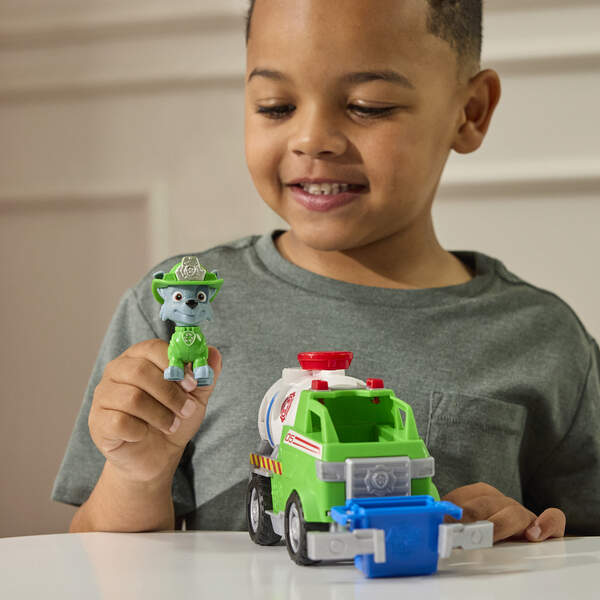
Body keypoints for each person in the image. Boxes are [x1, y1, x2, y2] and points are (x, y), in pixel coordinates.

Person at [53, 0, 600, 541]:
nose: (311, 138)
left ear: (470, 111)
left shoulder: (543, 338)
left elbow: (576, 545)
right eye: (275, 107)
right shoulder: (178, 303)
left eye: (368, 106)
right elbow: (94, 557)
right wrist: (137, 475)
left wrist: (529, 540)